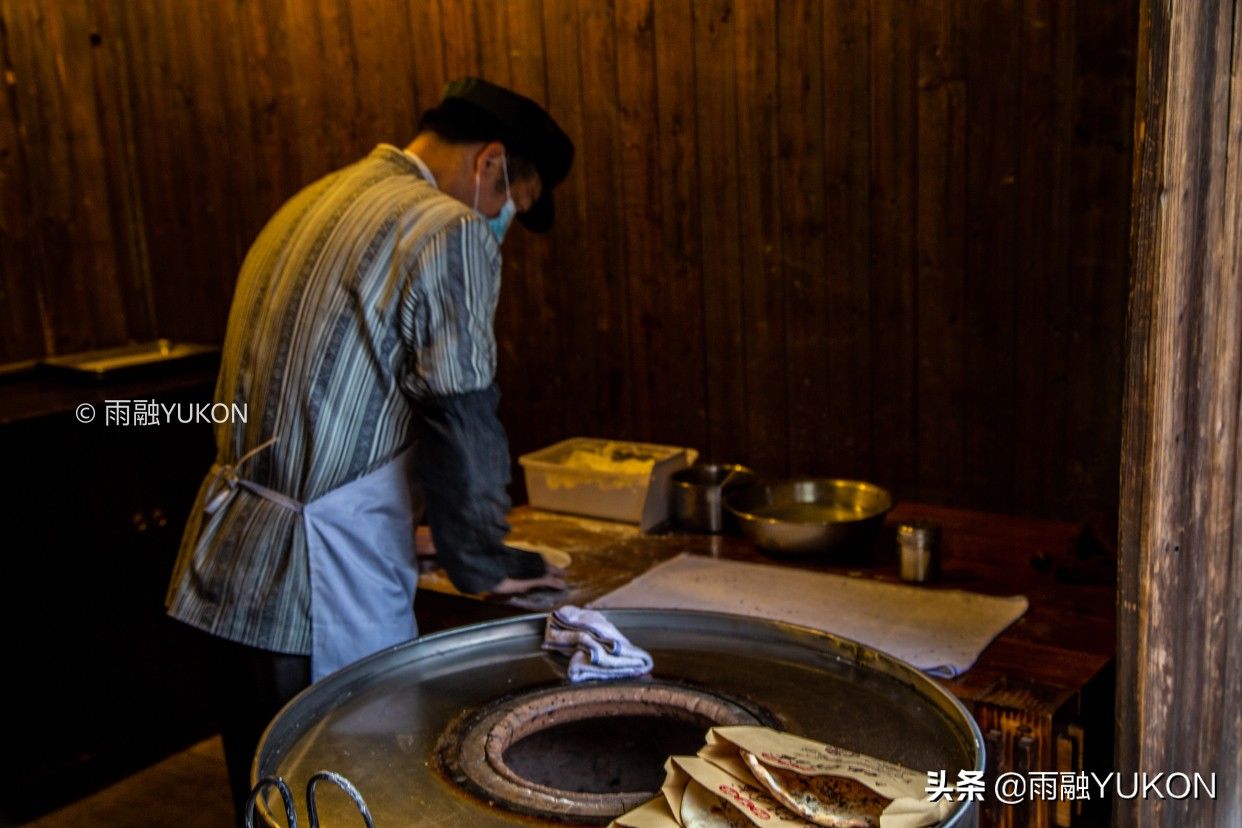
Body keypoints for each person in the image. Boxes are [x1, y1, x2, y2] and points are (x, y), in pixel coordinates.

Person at [164, 77, 574, 823]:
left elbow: (318, 409)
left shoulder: (311, 204)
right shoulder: (444, 228)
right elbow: (462, 415)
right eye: (511, 201)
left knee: (268, 799)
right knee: (345, 798)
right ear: (489, 165)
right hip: (317, 589)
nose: (500, 220)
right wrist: (481, 555)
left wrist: (412, 532)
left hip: (228, 571)